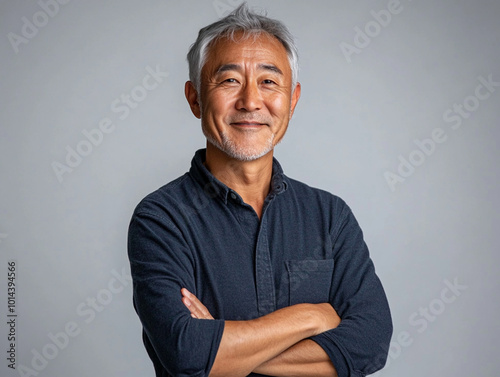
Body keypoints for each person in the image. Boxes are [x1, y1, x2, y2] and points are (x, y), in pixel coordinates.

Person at [128, 3, 392, 376]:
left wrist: (223, 349)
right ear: (195, 99)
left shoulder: (330, 216)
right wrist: (312, 316)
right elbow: (186, 352)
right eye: (229, 80)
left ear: (293, 100)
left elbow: (371, 343)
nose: (251, 101)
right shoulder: (161, 218)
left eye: (269, 81)